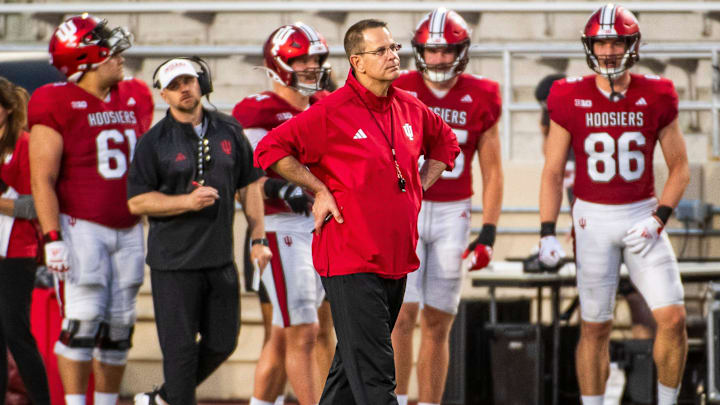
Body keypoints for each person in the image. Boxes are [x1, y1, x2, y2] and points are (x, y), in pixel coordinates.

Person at [255, 18, 460, 405]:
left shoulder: (410, 106)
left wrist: (418, 187)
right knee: (377, 377)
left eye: (394, 48)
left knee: (349, 376)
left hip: (396, 258)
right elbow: (269, 150)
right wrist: (318, 189)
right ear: (357, 61)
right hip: (350, 258)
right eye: (380, 50)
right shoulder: (331, 110)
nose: (392, 56)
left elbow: (446, 144)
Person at [538, 5, 689, 405]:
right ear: (590, 46)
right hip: (592, 219)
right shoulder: (568, 94)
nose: (608, 49)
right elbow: (553, 172)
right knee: (595, 327)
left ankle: (667, 401)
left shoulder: (657, 92)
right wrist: (547, 231)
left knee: (673, 320)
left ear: (631, 44)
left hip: (642, 213)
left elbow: (680, 168)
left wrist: (659, 218)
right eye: (602, 41)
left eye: (616, 40)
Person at [127, 57, 272, 405]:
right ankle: (173, 397)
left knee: (224, 342)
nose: (184, 89)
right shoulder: (153, 142)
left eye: (188, 81)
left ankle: (161, 398)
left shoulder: (229, 129)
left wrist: (258, 236)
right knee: (179, 354)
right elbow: (137, 202)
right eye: (175, 85)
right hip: (174, 265)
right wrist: (184, 203)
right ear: (164, 94)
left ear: (201, 82)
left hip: (219, 259)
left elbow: (250, 184)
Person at [28, 15, 153, 405]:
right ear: (86, 58)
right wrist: (52, 238)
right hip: (80, 226)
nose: (119, 57)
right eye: (109, 50)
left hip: (130, 226)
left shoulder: (135, 94)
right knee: (81, 324)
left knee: (119, 327)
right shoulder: (54, 100)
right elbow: (41, 178)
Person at [389, 8, 503, 405]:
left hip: (454, 211)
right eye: (431, 51)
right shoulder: (397, 87)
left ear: (462, 51)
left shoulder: (482, 93)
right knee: (402, 316)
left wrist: (487, 232)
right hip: (406, 211)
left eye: (446, 50)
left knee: (439, 320)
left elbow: (493, 171)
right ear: (419, 51)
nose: (438, 59)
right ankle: (399, 400)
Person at [232, 22, 334, 405]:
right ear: (278, 63)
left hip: (320, 226)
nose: (311, 65)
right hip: (279, 226)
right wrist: (282, 188)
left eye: (315, 58)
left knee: (284, 335)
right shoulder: (258, 111)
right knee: (302, 332)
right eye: (301, 58)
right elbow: (250, 179)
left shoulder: (326, 104)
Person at [0, 77, 51, 405]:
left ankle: (42, 400)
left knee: (17, 334)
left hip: (16, 251)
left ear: (5, 110)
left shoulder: (26, 143)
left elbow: (35, 204)